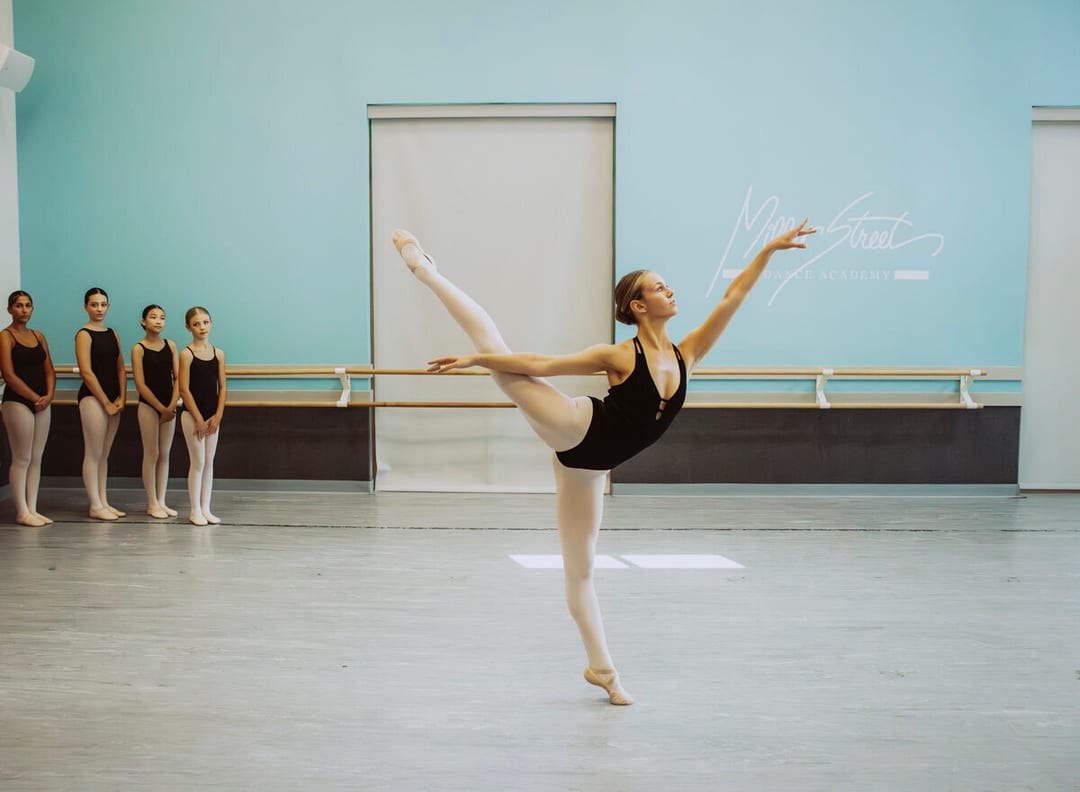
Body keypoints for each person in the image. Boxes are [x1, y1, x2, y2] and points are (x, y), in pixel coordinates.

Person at [392, 220, 815, 705]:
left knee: (582, 569)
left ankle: (602, 670)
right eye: (659, 287)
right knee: (496, 351)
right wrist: (477, 363)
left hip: (589, 469)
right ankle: (425, 270)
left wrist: (768, 250)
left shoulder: (688, 354)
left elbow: (732, 299)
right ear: (638, 306)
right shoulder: (618, 354)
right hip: (576, 428)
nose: (669, 290)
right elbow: (541, 365)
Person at [1, 290, 57, 526]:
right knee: (22, 457)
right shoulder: (6, 336)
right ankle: (21, 510)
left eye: (28, 305)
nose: (24, 310)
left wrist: (49, 395)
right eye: (19, 305)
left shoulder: (38, 336)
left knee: (36, 457)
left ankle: (32, 508)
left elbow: (49, 370)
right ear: (10, 310)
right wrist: (35, 397)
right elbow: (9, 374)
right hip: (18, 401)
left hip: (42, 401)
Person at [75, 287, 126, 521]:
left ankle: (103, 501)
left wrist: (122, 397)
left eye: (103, 304)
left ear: (108, 306)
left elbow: (119, 367)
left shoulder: (112, 333)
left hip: (114, 400)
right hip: (93, 398)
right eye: (94, 304)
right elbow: (86, 371)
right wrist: (105, 401)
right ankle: (94, 505)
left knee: (104, 454)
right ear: (86, 306)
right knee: (93, 453)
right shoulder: (84, 334)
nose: (99, 309)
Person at [178, 306, 226, 526]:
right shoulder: (186, 354)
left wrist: (217, 415)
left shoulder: (218, 353)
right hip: (192, 416)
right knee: (197, 462)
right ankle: (194, 509)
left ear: (212, 323)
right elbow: (184, 389)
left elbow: (223, 387)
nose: (202, 327)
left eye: (205, 322)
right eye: (196, 324)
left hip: (212, 417)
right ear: (189, 327)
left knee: (209, 462)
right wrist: (198, 418)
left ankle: (206, 508)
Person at [131, 304, 180, 519]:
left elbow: (178, 377)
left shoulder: (171, 346)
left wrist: (170, 406)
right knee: (151, 453)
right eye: (153, 317)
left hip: (169, 405)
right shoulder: (138, 348)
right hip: (149, 406)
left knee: (165, 454)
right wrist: (161, 408)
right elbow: (140, 385)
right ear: (144, 322)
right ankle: (151, 503)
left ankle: (162, 501)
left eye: (162, 317)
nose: (158, 321)